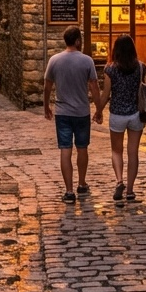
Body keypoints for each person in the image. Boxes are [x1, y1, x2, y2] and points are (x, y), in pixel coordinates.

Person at [44, 26, 102, 204]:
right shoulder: (87, 61)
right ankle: (82, 183)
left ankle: (69, 191)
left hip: (62, 113)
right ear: (77, 41)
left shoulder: (54, 60)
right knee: (82, 147)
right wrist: (99, 110)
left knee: (65, 149)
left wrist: (46, 106)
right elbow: (94, 87)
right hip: (81, 112)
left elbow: (47, 86)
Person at [96, 34, 146, 203]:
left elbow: (105, 94)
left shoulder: (110, 69)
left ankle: (119, 181)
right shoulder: (141, 67)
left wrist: (99, 111)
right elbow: (143, 91)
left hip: (117, 114)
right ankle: (130, 190)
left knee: (116, 151)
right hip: (136, 115)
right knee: (133, 153)